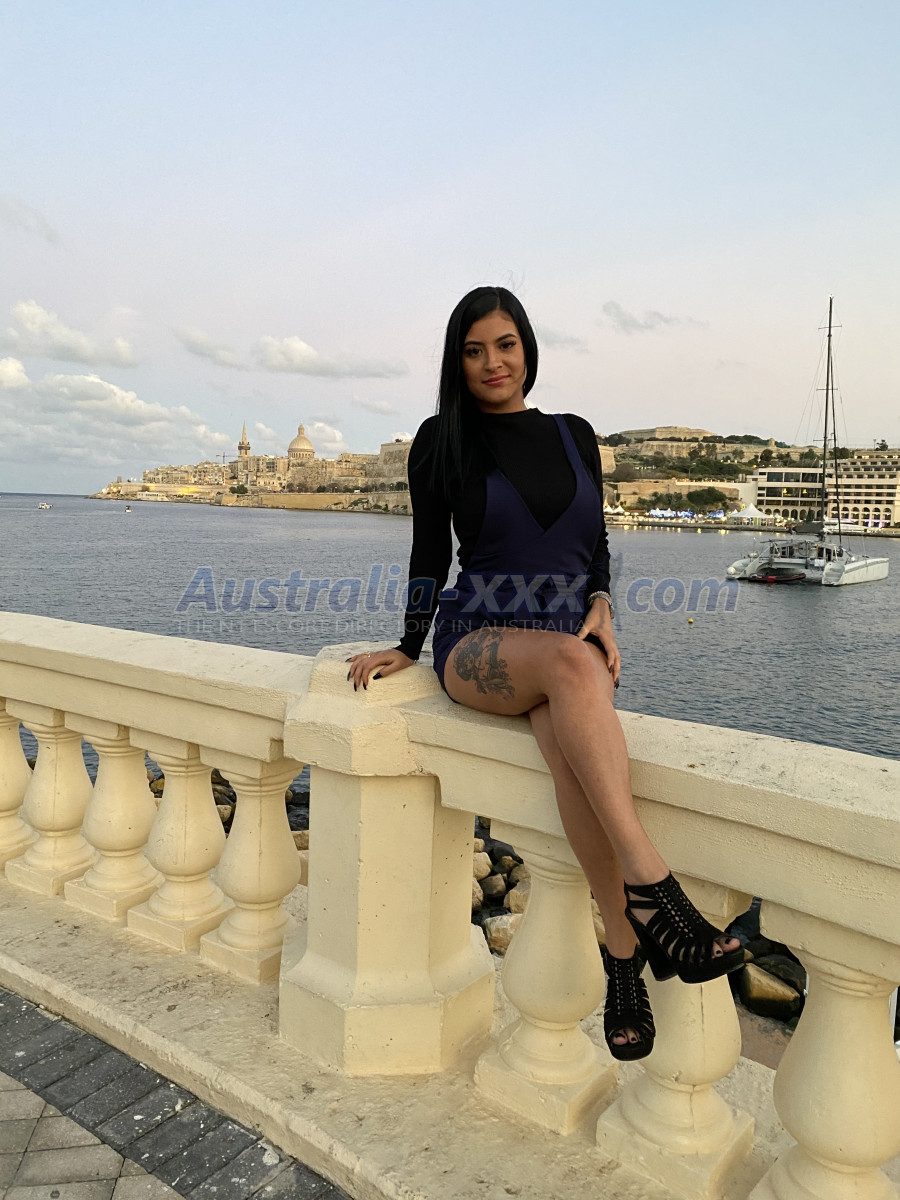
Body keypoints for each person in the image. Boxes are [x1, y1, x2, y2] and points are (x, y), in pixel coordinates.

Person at [346, 286, 743, 1061]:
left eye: (505, 344)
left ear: (527, 348)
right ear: (457, 362)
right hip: (478, 639)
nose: (492, 362)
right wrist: (407, 643)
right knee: (570, 667)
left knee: (571, 758)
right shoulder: (441, 440)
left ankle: (624, 959)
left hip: (568, 639)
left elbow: (595, 543)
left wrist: (602, 600)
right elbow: (428, 551)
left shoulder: (574, 434)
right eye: (473, 350)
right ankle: (654, 888)